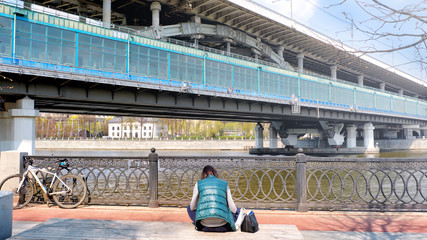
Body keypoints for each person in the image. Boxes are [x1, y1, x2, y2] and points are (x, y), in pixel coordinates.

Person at [187, 165, 241, 232]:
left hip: (204, 225)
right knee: (237, 210)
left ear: (203, 174)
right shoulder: (224, 184)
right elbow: (233, 208)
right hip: (223, 225)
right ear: (215, 173)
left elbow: (192, 207)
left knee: (189, 208)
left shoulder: (198, 184)